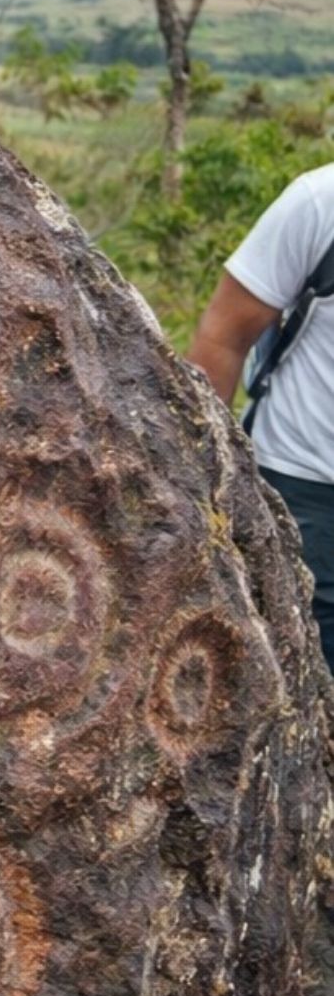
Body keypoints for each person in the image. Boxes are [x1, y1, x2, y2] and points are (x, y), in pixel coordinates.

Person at [190, 162, 334, 670]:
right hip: (303, 493)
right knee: (299, 675)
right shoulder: (319, 204)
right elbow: (223, 337)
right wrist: (199, 478)